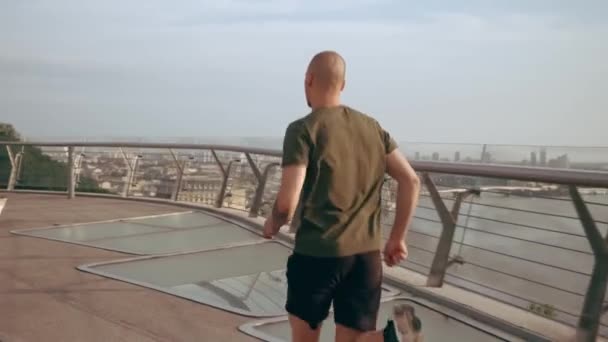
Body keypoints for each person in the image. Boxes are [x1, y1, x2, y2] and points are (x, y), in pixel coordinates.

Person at [263, 50, 421, 342]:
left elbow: (286, 203)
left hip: (317, 255)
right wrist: (397, 238)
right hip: (366, 259)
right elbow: (410, 180)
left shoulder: (303, 129)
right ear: (343, 85)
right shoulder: (373, 127)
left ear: (308, 80)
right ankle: (389, 337)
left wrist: (272, 223)